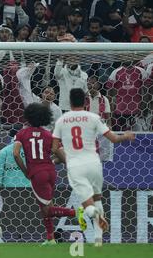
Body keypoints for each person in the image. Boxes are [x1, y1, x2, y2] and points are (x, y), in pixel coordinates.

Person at [52, 88, 136, 247]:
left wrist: (67, 159)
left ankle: (91, 212)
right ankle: (98, 239)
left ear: (69, 101)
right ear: (85, 101)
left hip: (75, 165)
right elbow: (113, 139)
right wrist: (126, 136)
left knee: (87, 204)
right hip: (94, 163)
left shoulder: (62, 120)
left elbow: (55, 147)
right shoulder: (93, 117)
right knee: (97, 198)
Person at [13, 103, 80, 246]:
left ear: (28, 117)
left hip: (37, 174)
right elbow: (61, 156)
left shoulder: (22, 134)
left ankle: (75, 213)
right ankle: (50, 238)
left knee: (48, 209)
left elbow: (16, 154)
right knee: (45, 206)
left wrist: (26, 171)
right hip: (50, 172)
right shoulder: (49, 135)